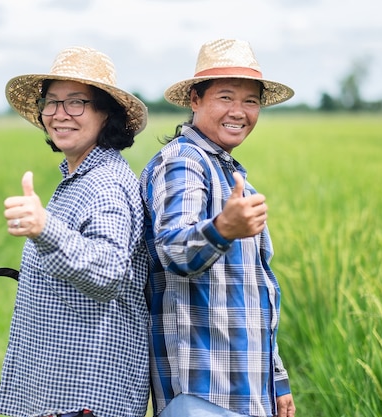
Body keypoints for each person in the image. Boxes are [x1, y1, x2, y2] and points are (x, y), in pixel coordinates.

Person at [140, 39, 297, 417]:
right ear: (195, 99)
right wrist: (224, 228)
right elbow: (175, 249)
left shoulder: (231, 175)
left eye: (250, 101)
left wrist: (275, 380)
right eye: (225, 97)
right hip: (202, 393)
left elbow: (255, 294)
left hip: (244, 390)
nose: (239, 112)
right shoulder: (183, 163)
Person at [0, 46, 150, 417]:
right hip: (62, 388)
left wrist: (45, 228)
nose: (59, 115)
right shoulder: (79, 177)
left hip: (87, 394)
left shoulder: (106, 184)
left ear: (105, 115)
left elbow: (109, 271)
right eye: (52, 102)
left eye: (76, 103)